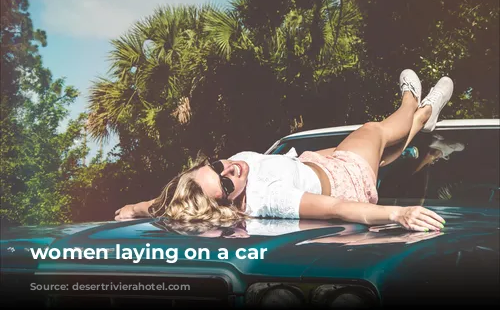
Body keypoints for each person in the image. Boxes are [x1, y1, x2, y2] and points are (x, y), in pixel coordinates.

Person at [115, 69, 453, 232]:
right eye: (227, 184)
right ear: (228, 204)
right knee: (373, 132)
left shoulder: (217, 179)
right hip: (344, 180)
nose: (229, 169)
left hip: (312, 164)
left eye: (217, 166)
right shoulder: (269, 198)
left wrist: (136, 207)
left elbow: (169, 203)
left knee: (382, 154)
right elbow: (336, 208)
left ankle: (424, 117)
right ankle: (414, 103)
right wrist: (398, 214)